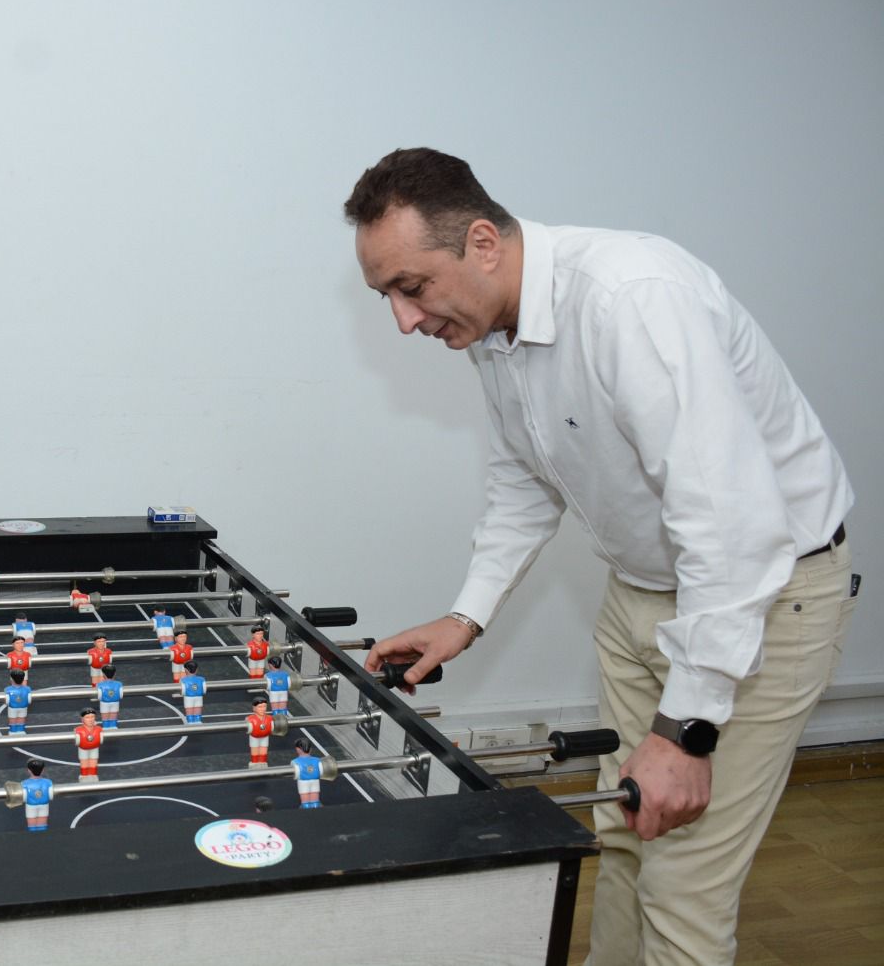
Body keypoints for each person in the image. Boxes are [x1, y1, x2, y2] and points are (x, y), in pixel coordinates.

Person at [345, 147, 856, 965]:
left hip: (760, 600)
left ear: (483, 243)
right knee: (621, 831)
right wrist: (465, 616)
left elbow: (729, 530)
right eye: (387, 297)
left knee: (682, 883)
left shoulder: (633, 298)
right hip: (642, 594)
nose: (405, 320)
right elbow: (524, 477)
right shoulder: (491, 327)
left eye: (412, 287)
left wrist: (686, 732)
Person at [21, 759, 53, 831]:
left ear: (29, 770)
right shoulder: (48, 782)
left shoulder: (24, 783)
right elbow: (51, 795)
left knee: (32, 826)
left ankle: (33, 836)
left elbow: (23, 797)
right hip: (44, 805)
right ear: (43, 770)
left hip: (30, 806)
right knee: (43, 825)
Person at [290, 739, 322, 808]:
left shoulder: (295, 762)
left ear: (298, 749)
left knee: (304, 797)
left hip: (302, 782)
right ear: (310, 749)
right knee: (315, 796)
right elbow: (321, 771)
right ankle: (316, 807)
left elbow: (296, 774)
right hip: (315, 781)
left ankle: (306, 808)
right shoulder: (317, 760)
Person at [75, 707, 103, 782]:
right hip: (83, 749)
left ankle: (93, 775)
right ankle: (84, 775)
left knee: (93, 761)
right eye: (87, 717)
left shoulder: (99, 729)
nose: (90, 719)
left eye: (92, 717)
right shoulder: (78, 730)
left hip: (95, 748)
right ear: (82, 719)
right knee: (84, 762)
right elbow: (77, 740)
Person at [245, 695, 273, 768]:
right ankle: (254, 764)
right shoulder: (250, 719)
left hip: (265, 737)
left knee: (263, 751)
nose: (262, 709)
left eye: (264, 706)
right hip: (254, 737)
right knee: (255, 751)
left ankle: (262, 764)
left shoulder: (269, 718)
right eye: (260, 707)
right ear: (254, 708)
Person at [95, 663, 124, 728]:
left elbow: (99, 696)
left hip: (104, 703)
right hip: (115, 703)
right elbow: (121, 695)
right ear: (115, 674)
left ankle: (106, 727)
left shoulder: (99, 685)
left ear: (103, 674)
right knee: (113, 715)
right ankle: (113, 726)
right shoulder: (119, 684)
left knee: (105, 716)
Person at [180, 659, 207, 724]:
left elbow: (183, 690)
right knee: (198, 708)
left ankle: (190, 721)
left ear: (185, 670)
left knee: (189, 709)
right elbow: (204, 690)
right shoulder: (202, 679)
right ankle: (198, 721)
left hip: (188, 697)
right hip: (199, 697)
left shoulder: (183, 680)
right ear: (197, 669)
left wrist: (183, 694)